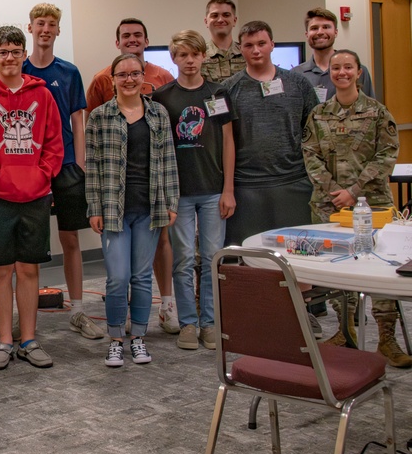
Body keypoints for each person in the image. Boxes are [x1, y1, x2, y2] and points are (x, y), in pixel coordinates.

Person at [0, 25, 64, 370]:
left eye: (15, 51)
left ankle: (29, 339)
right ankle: (5, 340)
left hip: (35, 195)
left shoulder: (43, 96)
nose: (9, 57)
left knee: (29, 269)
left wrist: (42, 175)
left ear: (24, 55)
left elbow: (54, 144)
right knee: (1, 271)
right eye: (2, 51)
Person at [301, 49, 409, 367]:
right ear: (331, 73)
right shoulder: (319, 115)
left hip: (372, 204)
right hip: (329, 206)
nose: (342, 73)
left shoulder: (377, 112)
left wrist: (354, 190)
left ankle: (386, 339)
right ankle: (345, 333)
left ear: (358, 72)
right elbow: (310, 155)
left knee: (381, 269)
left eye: (348, 67)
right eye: (336, 68)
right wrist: (336, 191)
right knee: (338, 270)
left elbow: (387, 154)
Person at [86, 18, 178, 333]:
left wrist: (171, 201)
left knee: (141, 275)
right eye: (123, 75)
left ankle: (144, 328)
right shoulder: (100, 110)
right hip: (114, 205)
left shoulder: (159, 103)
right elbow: (94, 161)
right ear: (113, 79)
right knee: (118, 277)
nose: (129, 79)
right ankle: (115, 335)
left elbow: (168, 159)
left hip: (150, 203)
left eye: (135, 74)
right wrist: (94, 207)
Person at [22, 3, 104, 339]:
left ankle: (79, 312)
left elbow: (78, 120)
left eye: (51, 24)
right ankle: (27, 318)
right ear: (30, 28)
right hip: (30, 167)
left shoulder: (69, 72)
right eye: (39, 23)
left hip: (67, 165)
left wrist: (81, 165)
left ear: (57, 31)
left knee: (70, 239)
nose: (45, 29)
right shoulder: (20, 69)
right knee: (29, 246)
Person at [152, 31, 236, 351]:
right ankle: (188, 322)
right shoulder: (163, 97)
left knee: (213, 258)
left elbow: (228, 141)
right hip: (180, 194)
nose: (189, 61)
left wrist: (228, 188)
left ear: (204, 56)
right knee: (184, 258)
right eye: (182, 55)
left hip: (214, 189)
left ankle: (210, 322)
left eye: (195, 54)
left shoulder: (218, 93)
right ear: (173, 58)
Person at [222, 21, 320, 248]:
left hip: (293, 182)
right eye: (249, 45)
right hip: (247, 186)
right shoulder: (228, 89)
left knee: (298, 254)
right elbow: (224, 142)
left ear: (272, 45)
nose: (256, 50)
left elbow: (314, 135)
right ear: (240, 48)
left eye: (261, 43)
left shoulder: (299, 84)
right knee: (252, 258)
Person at [291, 7, 374, 102]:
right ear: (307, 34)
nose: (320, 32)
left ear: (336, 32)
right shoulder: (296, 74)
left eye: (326, 27)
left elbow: (371, 108)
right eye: (314, 28)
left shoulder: (355, 71)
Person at [199, 0, 246, 83]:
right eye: (215, 15)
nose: (220, 20)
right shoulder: (198, 55)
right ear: (206, 21)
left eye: (226, 15)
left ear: (235, 21)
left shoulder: (247, 52)